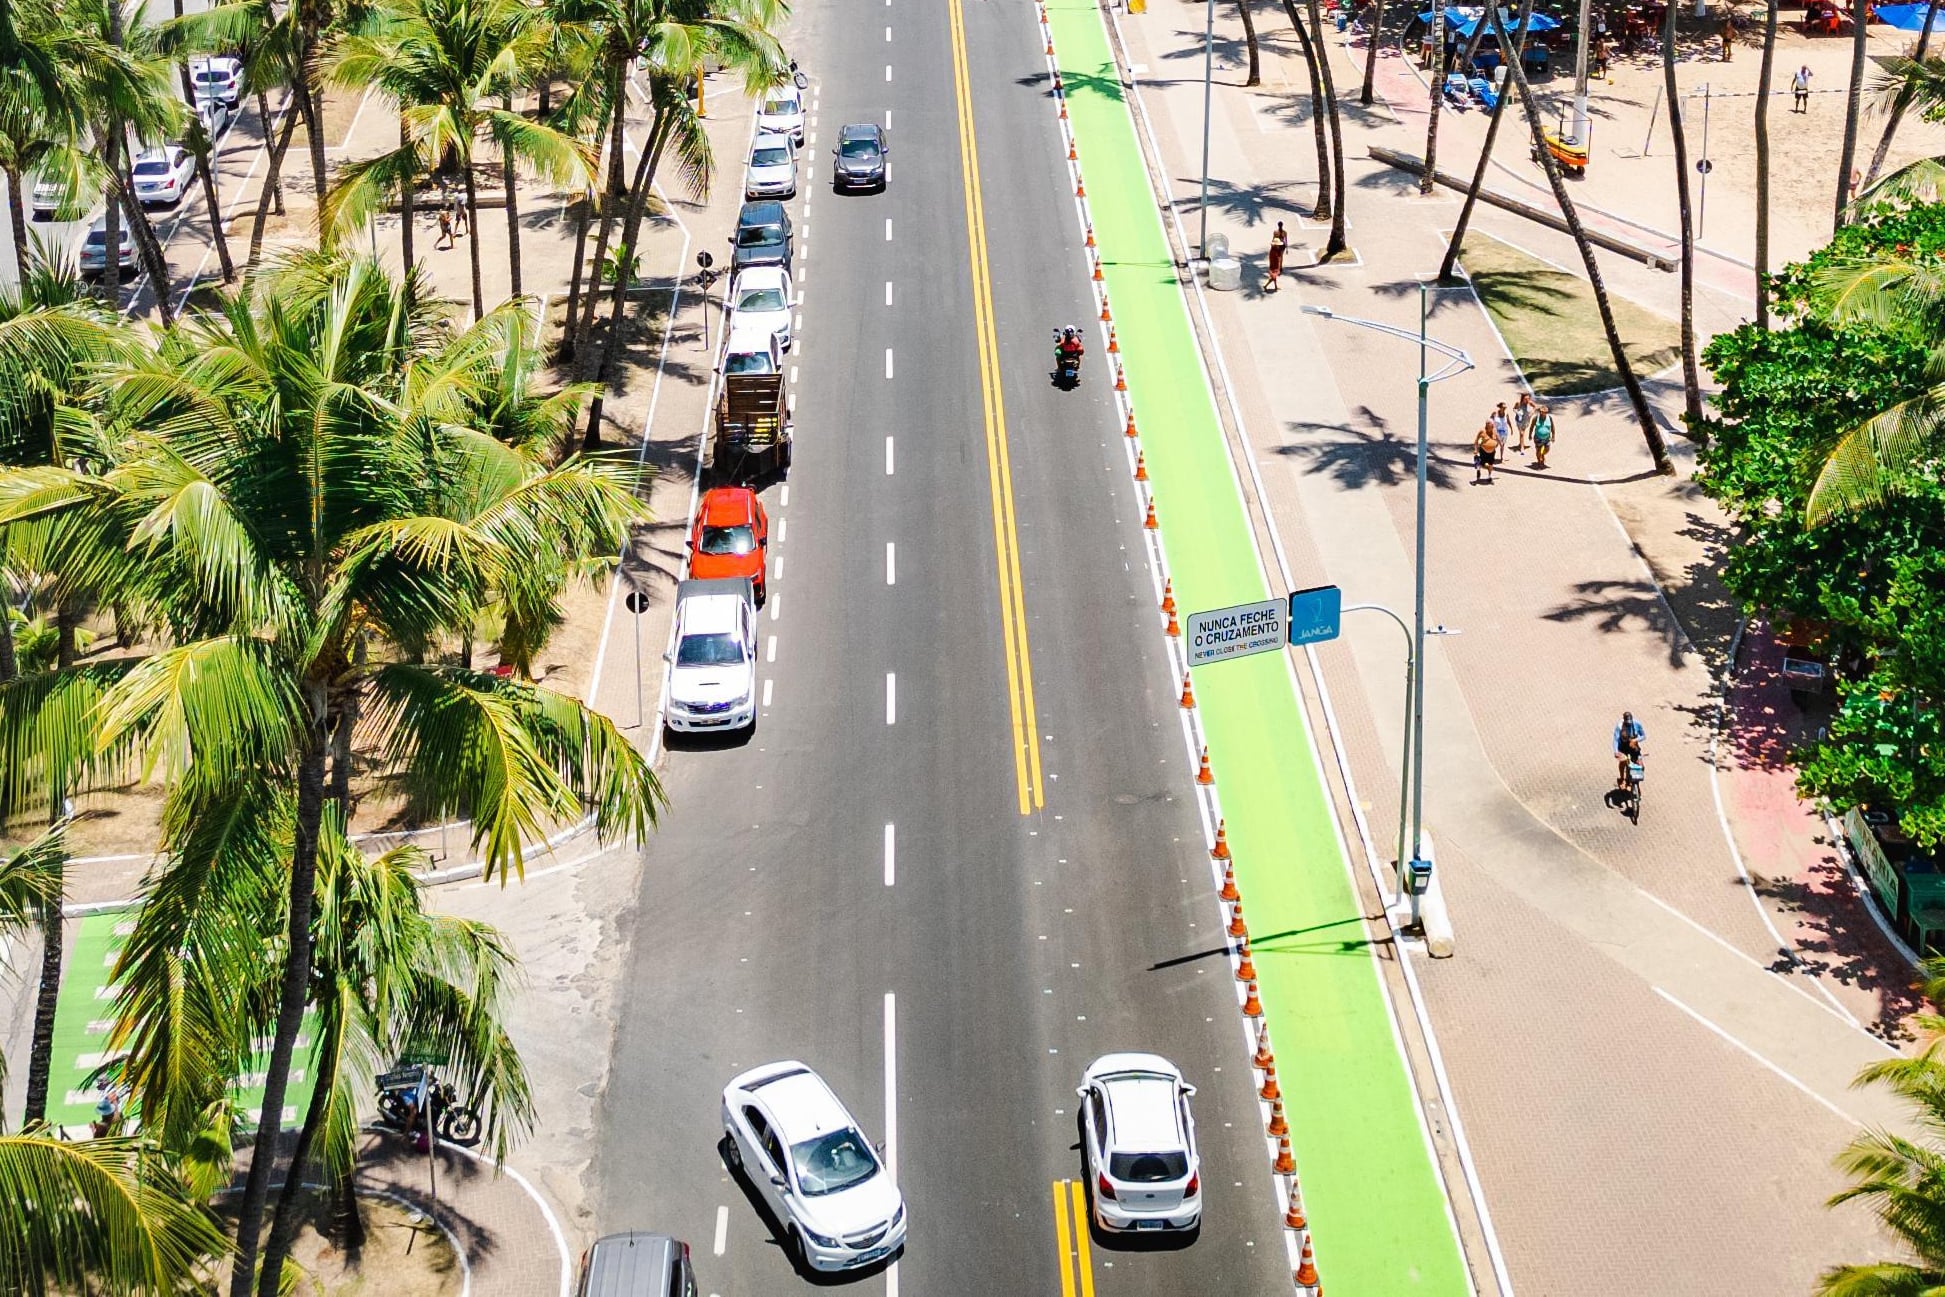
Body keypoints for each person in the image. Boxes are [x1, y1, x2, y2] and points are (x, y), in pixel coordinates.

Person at [1613, 711, 1645, 789]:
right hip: (1623, 747)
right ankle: (1622, 778)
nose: (1629, 724)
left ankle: (1634, 781)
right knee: (1623, 761)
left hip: (1633, 746)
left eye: (1630, 722)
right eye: (1627, 723)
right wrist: (1616, 751)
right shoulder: (1619, 726)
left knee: (1641, 766)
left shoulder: (1637, 724)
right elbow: (1616, 740)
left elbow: (1643, 736)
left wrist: (1636, 740)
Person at [1265, 221, 1288, 292]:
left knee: (1280, 257)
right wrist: (1287, 248)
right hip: (1282, 246)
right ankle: (1280, 267)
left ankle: (1273, 286)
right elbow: (1286, 240)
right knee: (1281, 257)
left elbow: (1273, 239)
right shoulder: (1285, 232)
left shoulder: (1275, 232)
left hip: (1278, 247)